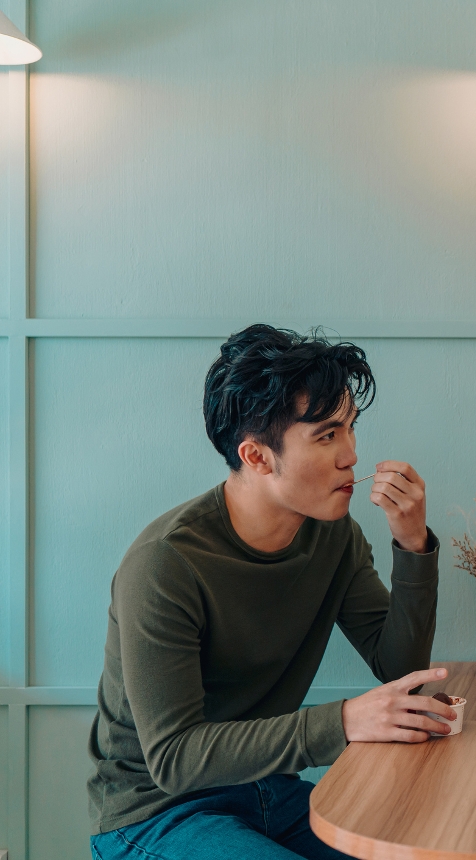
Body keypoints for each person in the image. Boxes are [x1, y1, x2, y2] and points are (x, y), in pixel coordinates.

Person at [88, 325, 454, 860]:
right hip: (156, 812)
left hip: (265, 789)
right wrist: (345, 720)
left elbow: (396, 662)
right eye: (327, 435)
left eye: (351, 428)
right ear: (257, 456)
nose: (351, 455)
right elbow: (174, 758)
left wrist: (413, 544)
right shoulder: (165, 564)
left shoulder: (334, 535)